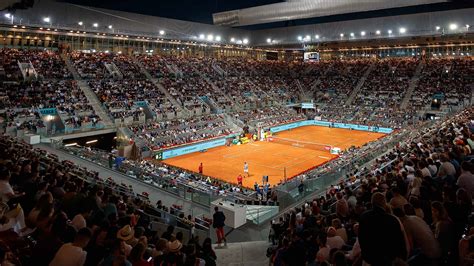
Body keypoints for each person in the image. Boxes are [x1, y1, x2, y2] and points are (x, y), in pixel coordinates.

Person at [358, 192, 408, 265]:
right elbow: (400, 242)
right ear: (385, 203)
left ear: (372, 203)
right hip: (390, 260)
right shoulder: (392, 219)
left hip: (370, 259)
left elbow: (361, 239)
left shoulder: (364, 217)